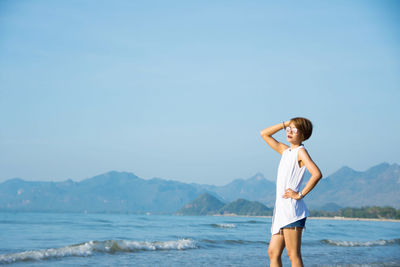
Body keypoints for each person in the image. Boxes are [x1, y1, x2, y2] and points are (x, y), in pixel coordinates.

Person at [260, 117, 322, 267]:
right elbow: (264, 133)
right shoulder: (285, 151)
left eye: (295, 130)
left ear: (304, 135)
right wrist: (286, 124)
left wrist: (299, 195)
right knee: (273, 253)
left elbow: (317, 174)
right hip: (281, 211)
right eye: (289, 129)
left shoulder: (301, 152)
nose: (289, 132)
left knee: (293, 255)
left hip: (292, 211)